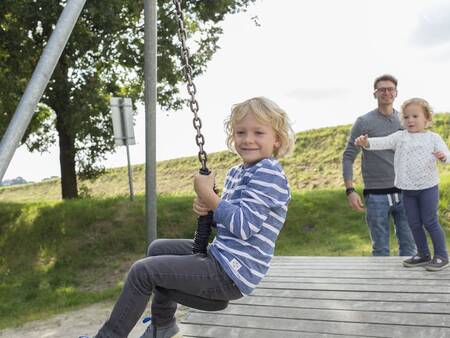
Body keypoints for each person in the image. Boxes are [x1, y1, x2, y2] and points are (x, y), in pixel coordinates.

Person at [89, 97, 295, 338]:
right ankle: (163, 325)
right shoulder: (237, 172)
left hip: (231, 272)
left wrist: (208, 195)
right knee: (157, 249)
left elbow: (244, 226)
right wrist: (207, 208)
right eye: (241, 132)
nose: (248, 139)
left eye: (258, 132)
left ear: (277, 139)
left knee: (142, 271)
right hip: (221, 255)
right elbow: (225, 221)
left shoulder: (268, 171)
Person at [355, 98, 449, 270]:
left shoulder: (433, 138)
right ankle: (423, 254)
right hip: (407, 190)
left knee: (430, 221)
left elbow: (447, 155)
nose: (410, 120)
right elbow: (382, 142)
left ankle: (442, 255)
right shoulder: (400, 137)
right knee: (413, 222)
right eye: (406, 117)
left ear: (427, 118)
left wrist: (443, 157)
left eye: (415, 116)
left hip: (427, 188)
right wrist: (366, 143)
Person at [342, 74, 416, 256]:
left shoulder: (405, 121)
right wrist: (350, 190)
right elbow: (348, 156)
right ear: (375, 94)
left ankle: (407, 285)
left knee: (409, 247)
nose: (386, 93)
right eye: (381, 89)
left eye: (390, 89)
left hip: (405, 193)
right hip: (376, 196)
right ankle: (382, 285)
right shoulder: (363, 122)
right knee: (380, 250)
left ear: (396, 93)